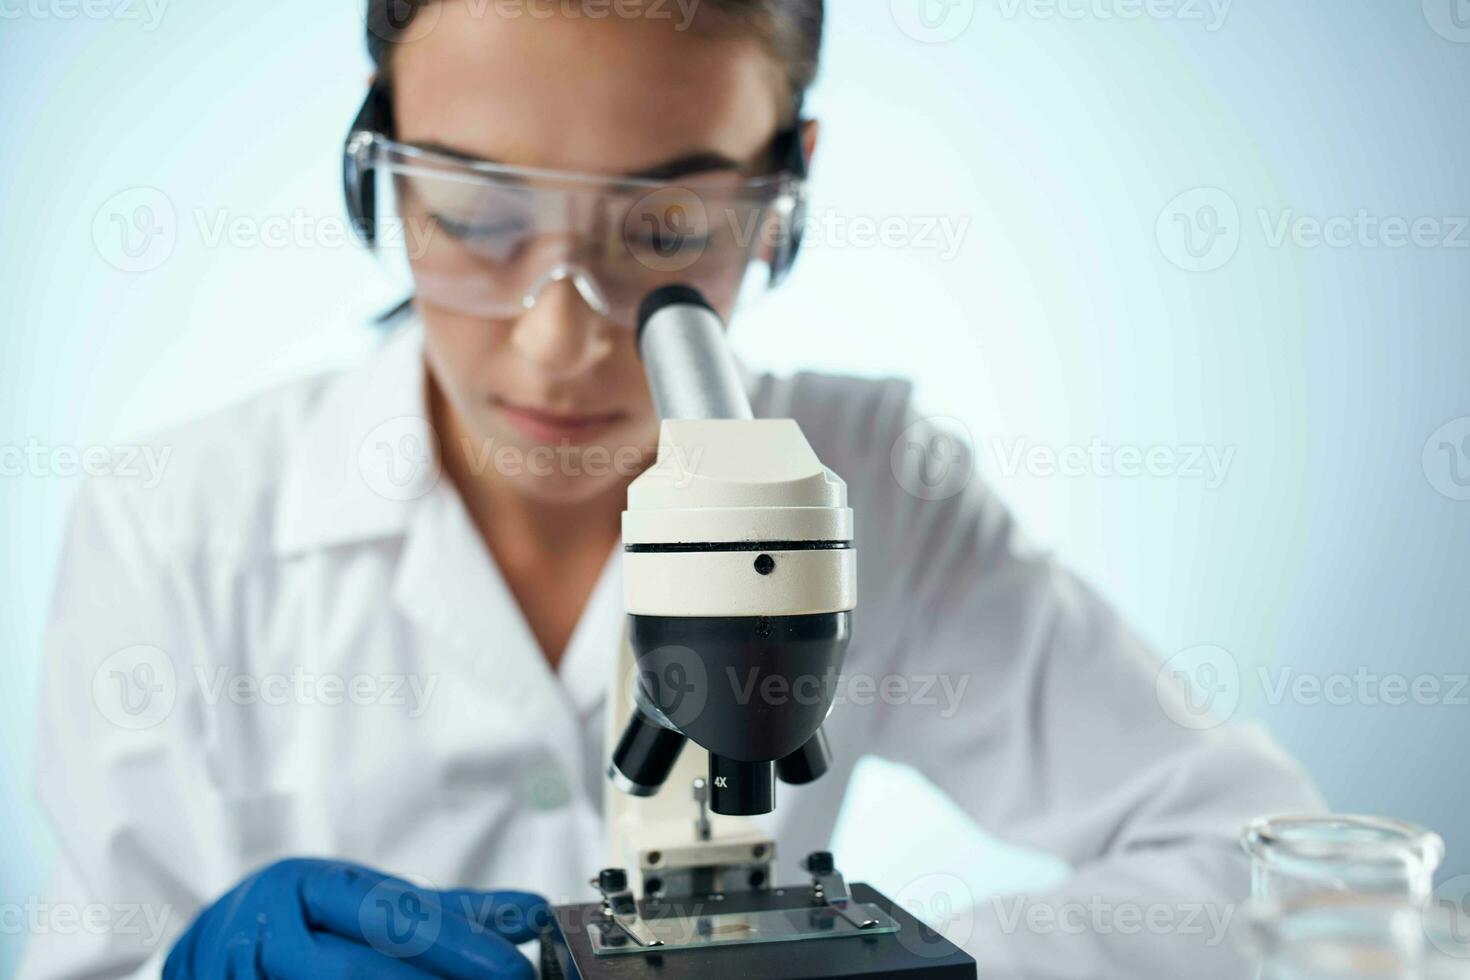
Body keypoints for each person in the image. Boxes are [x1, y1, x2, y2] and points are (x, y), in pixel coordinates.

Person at [22, 1, 1322, 977]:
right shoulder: (172, 524)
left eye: (664, 234)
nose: (560, 338)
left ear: (782, 186)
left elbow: (1268, 863)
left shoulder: (878, 483)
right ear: (380, 151)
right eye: (472, 212)